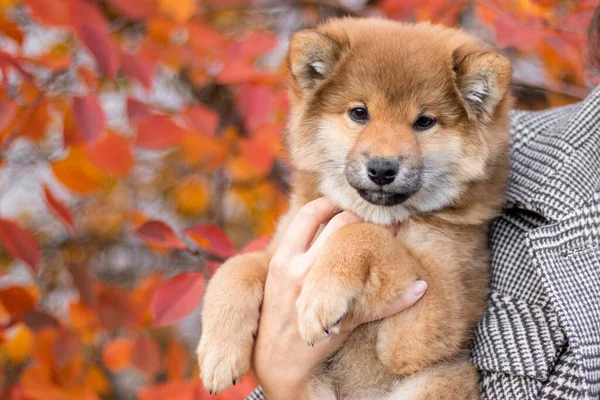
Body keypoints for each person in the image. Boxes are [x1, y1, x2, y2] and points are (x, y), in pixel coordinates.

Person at [247, 6, 600, 400]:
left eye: (423, 122)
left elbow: (412, 349)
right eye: (359, 114)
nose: (385, 153)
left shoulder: (478, 170)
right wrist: (282, 379)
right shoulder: (530, 156)